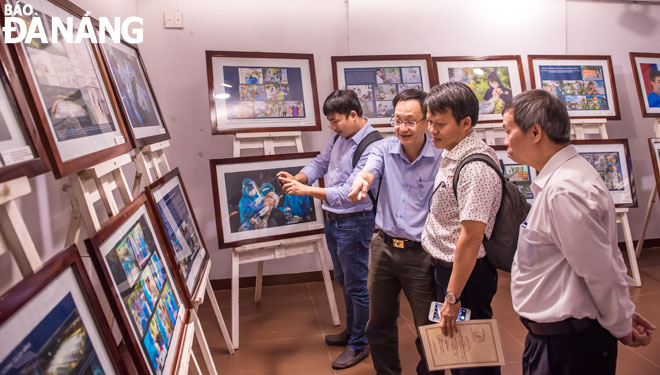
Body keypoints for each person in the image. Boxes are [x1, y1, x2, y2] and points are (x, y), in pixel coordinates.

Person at [502, 89, 655, 375]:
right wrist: (621, 314)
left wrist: (621, 324)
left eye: (509, 130)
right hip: (558, 338)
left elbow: (600, 270)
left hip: (568, 346)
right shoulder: (562, 179)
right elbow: (600, 259)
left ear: (536, 132)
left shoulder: (564, 190)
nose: (505, 140)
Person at [277, 90, 380, 370]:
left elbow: (349, 192)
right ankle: (353, 330)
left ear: (354, 115)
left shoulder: (373, 146)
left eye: (336, 121)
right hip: (334, 219)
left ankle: (359, 344)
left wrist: (306, 190)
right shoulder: (340, 136)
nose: (332, 127)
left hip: (355, 221)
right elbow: (321, 162)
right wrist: (296, 178)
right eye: (329, 122)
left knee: (356, 284)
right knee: (343, 279)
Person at [349, 88, 443, 375]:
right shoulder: (383, 148)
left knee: (430, 328)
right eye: (397, 120)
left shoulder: (441, 156)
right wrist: (363, 180)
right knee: (378, 325)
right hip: (384, 249)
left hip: (423, 255)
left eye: (411, 121)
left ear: (427, 121)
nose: (403, 128)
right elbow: (369, 169)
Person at [421, 82, 502, 375]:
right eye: (429, 121)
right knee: (459, 356)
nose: (431, 130)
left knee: (474, 360)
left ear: (466, 123)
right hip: (448, 268)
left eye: (440, 124)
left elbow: (470, 239)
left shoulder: (475, 169)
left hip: (465, 274)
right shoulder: (453, 149)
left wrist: (452, 298)